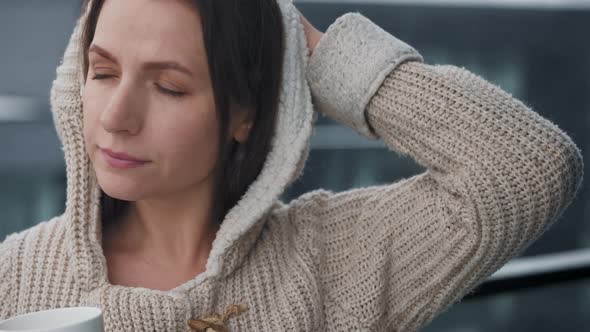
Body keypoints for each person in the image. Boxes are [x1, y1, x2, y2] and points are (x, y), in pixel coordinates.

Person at [0, 0, 584, 331]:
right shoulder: (14, 275)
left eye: (170, 87)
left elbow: (527, 165)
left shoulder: (332, 260)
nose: (116, 117)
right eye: (102, 73)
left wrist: (303, 44)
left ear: (246, 114)